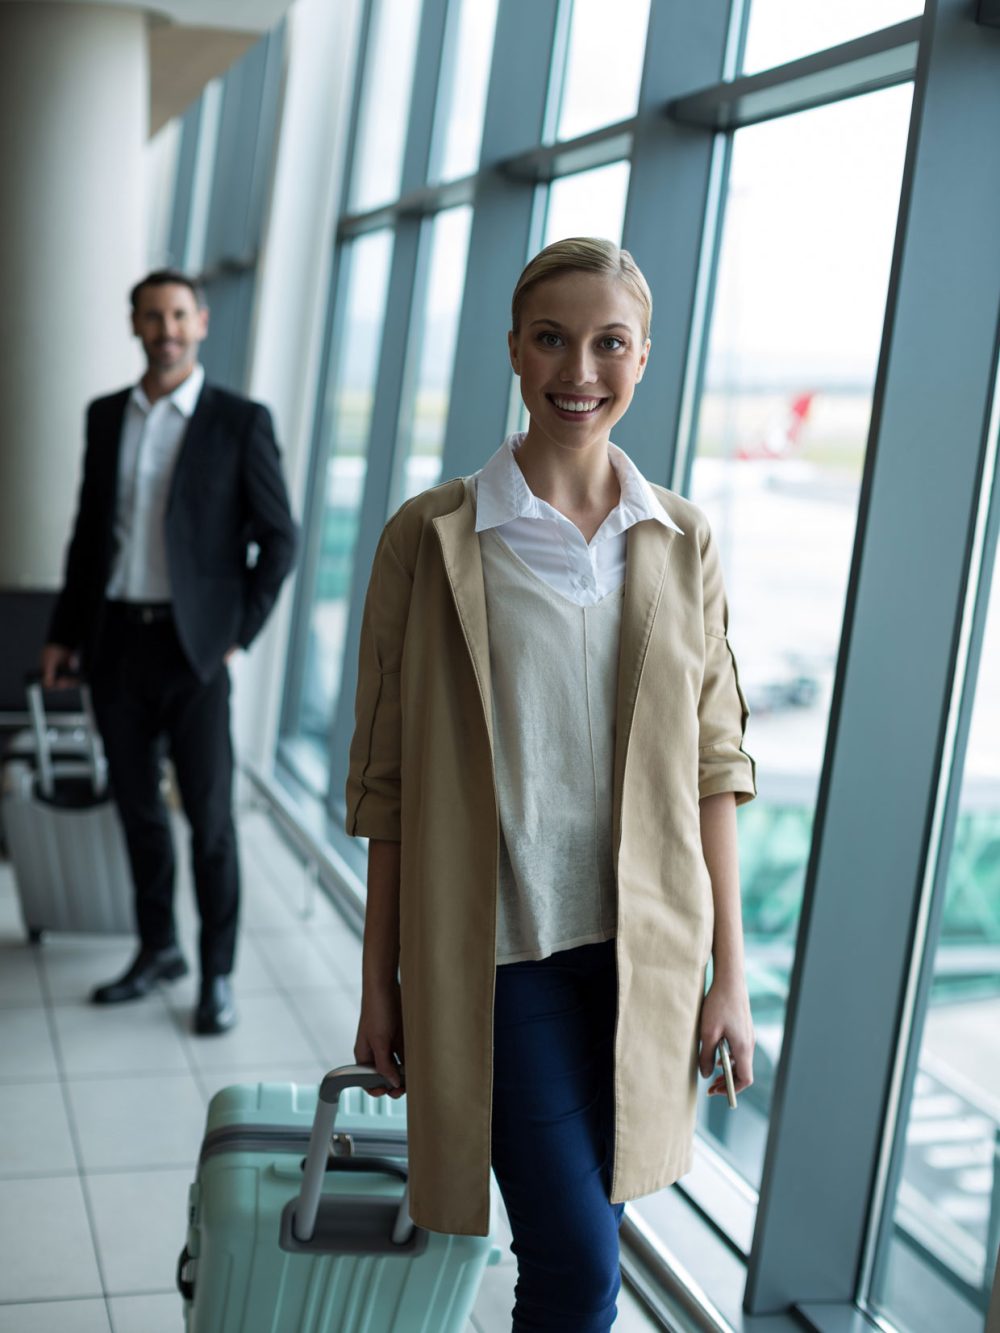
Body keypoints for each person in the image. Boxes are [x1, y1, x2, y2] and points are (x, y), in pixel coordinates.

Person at [349, 237, 757, 1331]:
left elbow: (716, 766)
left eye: (608, 343)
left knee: (588, 1240)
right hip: (501, 959)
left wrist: (731, 973)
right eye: (551, 340)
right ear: (516, 353)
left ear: (643, 357)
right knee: (578, 1267)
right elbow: (385, 784)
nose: (580, 369)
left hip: (645, 957)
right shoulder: (431, 540)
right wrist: (378, 982)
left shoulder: (680, 540)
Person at [40, 269, 298, 1035]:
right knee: (137, 810)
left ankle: (216, 972)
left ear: (202, 322)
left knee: (210, 821)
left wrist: (234, 639)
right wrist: (63, 631)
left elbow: (278, 540)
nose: (166, 328)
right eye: (152, 316)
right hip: (115, 641)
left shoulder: (239, 420)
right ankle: (159, 949)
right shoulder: (105, 416)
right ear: (135, 325)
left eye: (179, 314)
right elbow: (90, 535)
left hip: (196, 654)